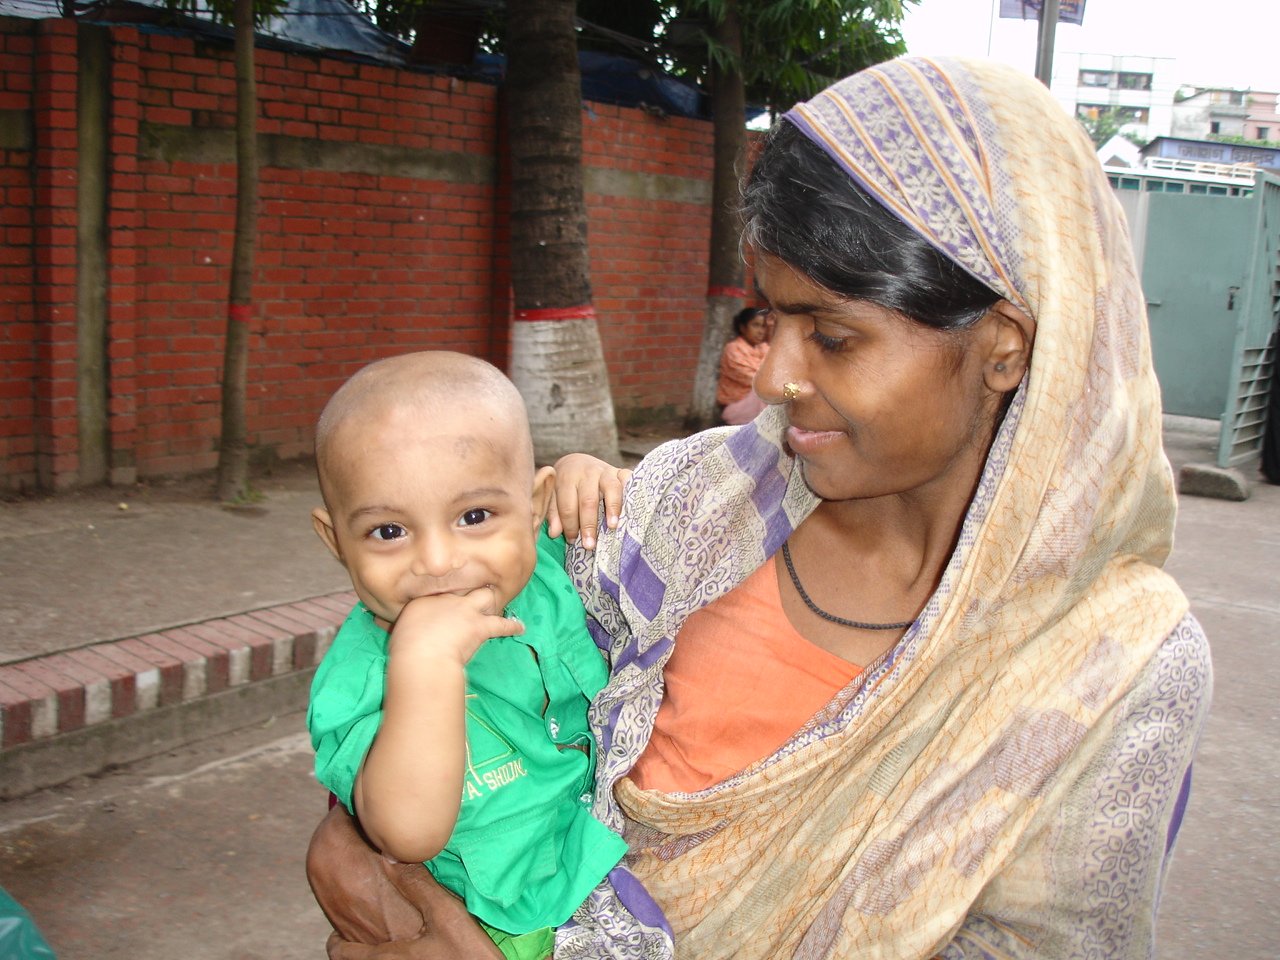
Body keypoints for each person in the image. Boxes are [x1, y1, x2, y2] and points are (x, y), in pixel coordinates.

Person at [307, 56, 1212, 959]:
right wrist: (352, 841)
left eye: (834, 335)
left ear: (1004, 347)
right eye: (772, 321)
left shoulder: (1112, 666)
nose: (775, 377)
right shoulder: (690, 503)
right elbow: (472, 728)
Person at [305, 351, 627, 960]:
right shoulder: (358, 679)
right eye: (388, 532)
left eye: (474, 516)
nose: (437, 560)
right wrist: (425, 664)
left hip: (615, 867)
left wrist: (592, 476)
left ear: (533, 507)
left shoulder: (551, 569)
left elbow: (668, 527)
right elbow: (407, 834)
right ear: (335, 541)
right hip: (499, 926)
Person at [717, 306, 771, 425]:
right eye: (755, 325)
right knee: (766, 391)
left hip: (758, 402)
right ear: (742, 327)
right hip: (737, 406)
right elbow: (755, 380)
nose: (761, 331)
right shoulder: (733, 349)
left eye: (763, 326)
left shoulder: (765, 348)